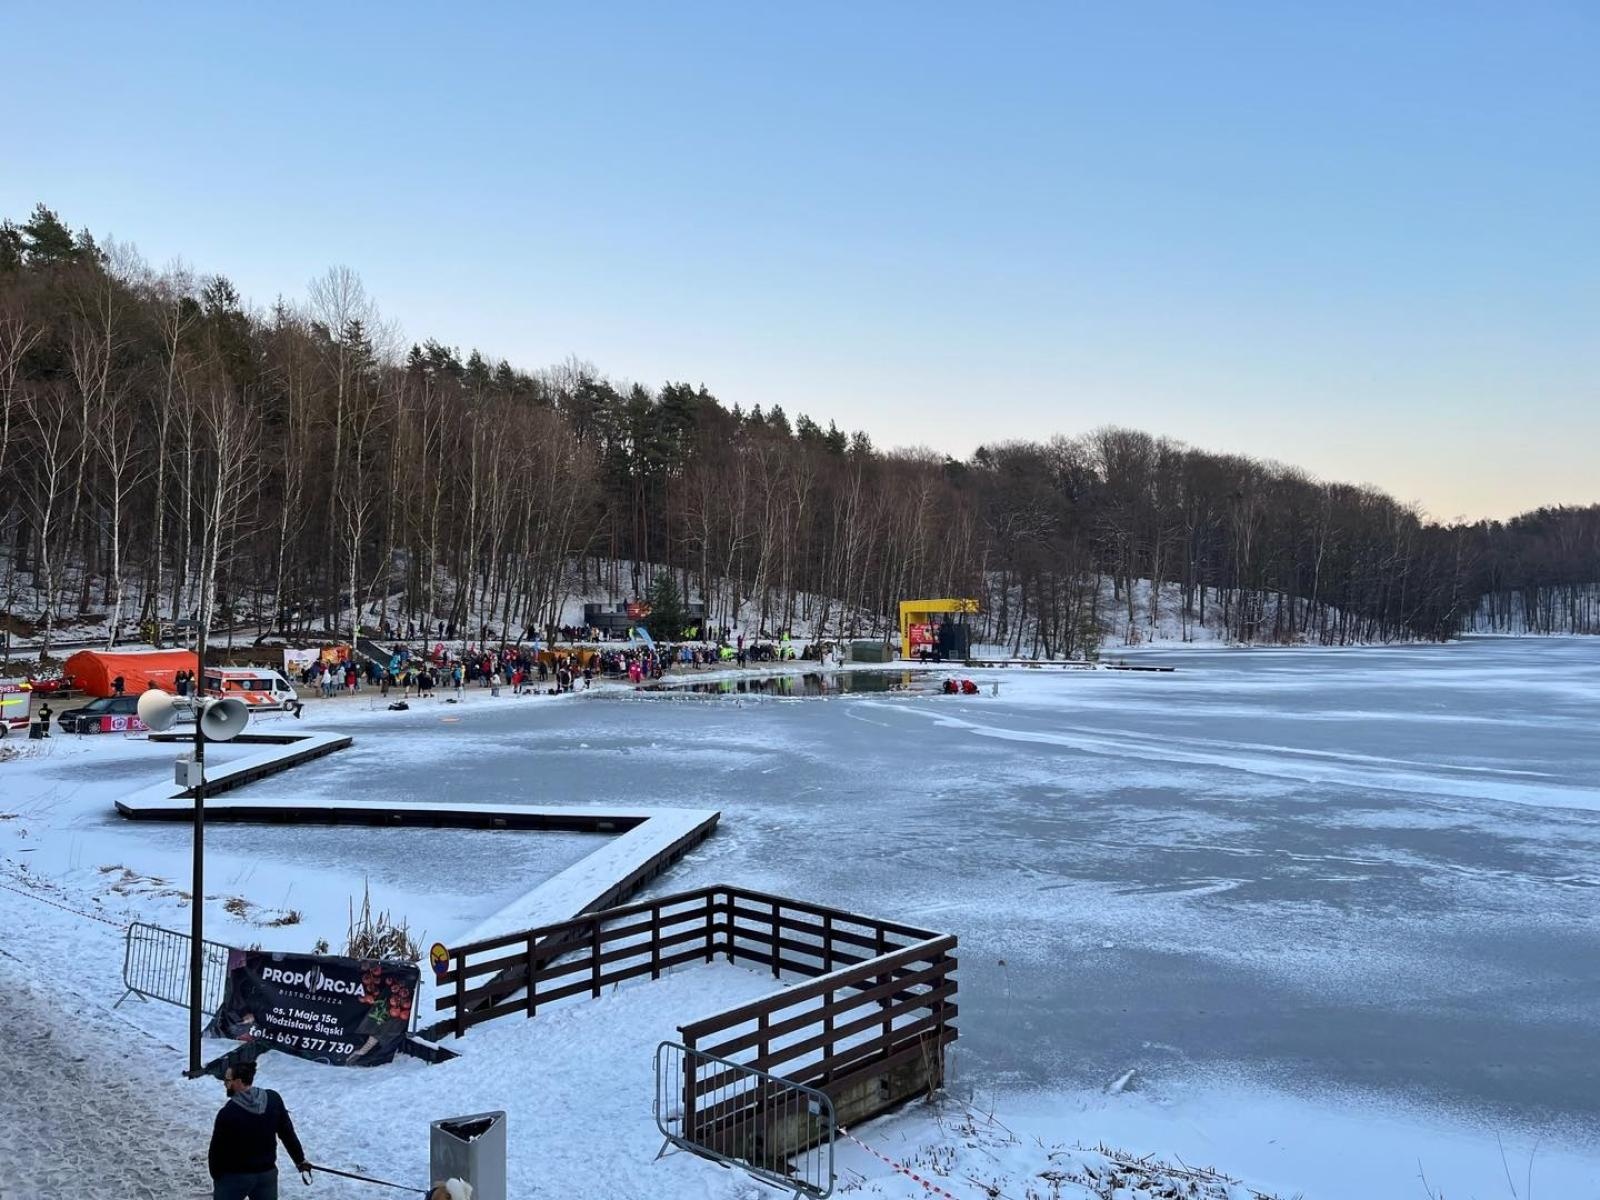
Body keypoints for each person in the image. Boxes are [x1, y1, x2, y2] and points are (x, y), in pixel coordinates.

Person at [208, 1058, 309, 1200]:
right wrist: (300, 1160)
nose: (225, 1084)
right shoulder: (273, 1099)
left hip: (235, 1177)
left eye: (227, 1080)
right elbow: (287, 1133)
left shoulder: (228, 1112)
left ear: (239, 1081)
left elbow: (217, 1150)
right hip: (267, 1175)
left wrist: (217, 1177)